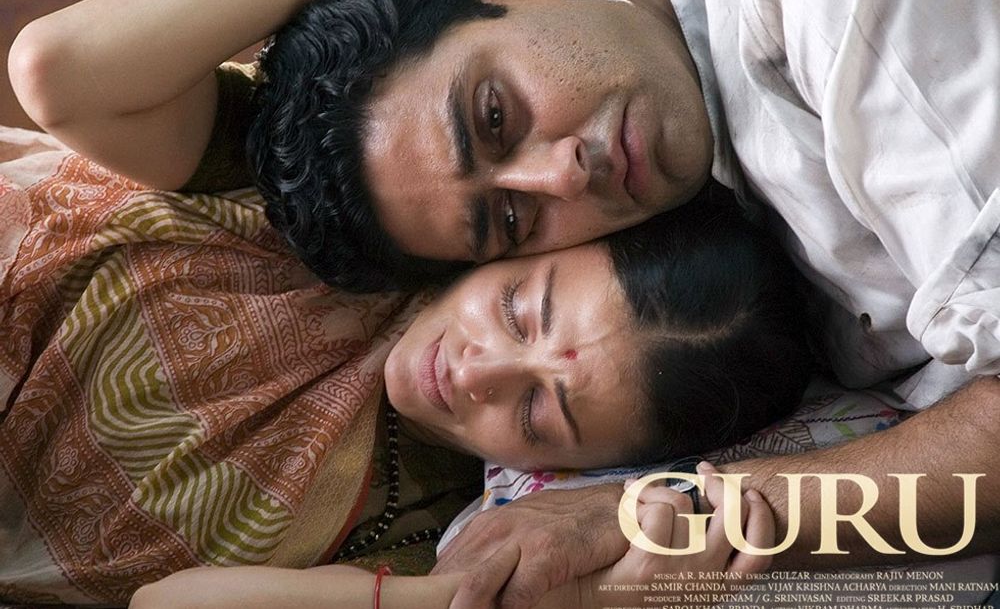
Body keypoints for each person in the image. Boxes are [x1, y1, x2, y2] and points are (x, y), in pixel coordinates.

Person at [0, 117, 813, 605]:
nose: (476, 372)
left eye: (537, 411)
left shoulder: (446, 535)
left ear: (581, 467)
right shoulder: (356, 187)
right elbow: (60, 67)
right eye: (515, 309)